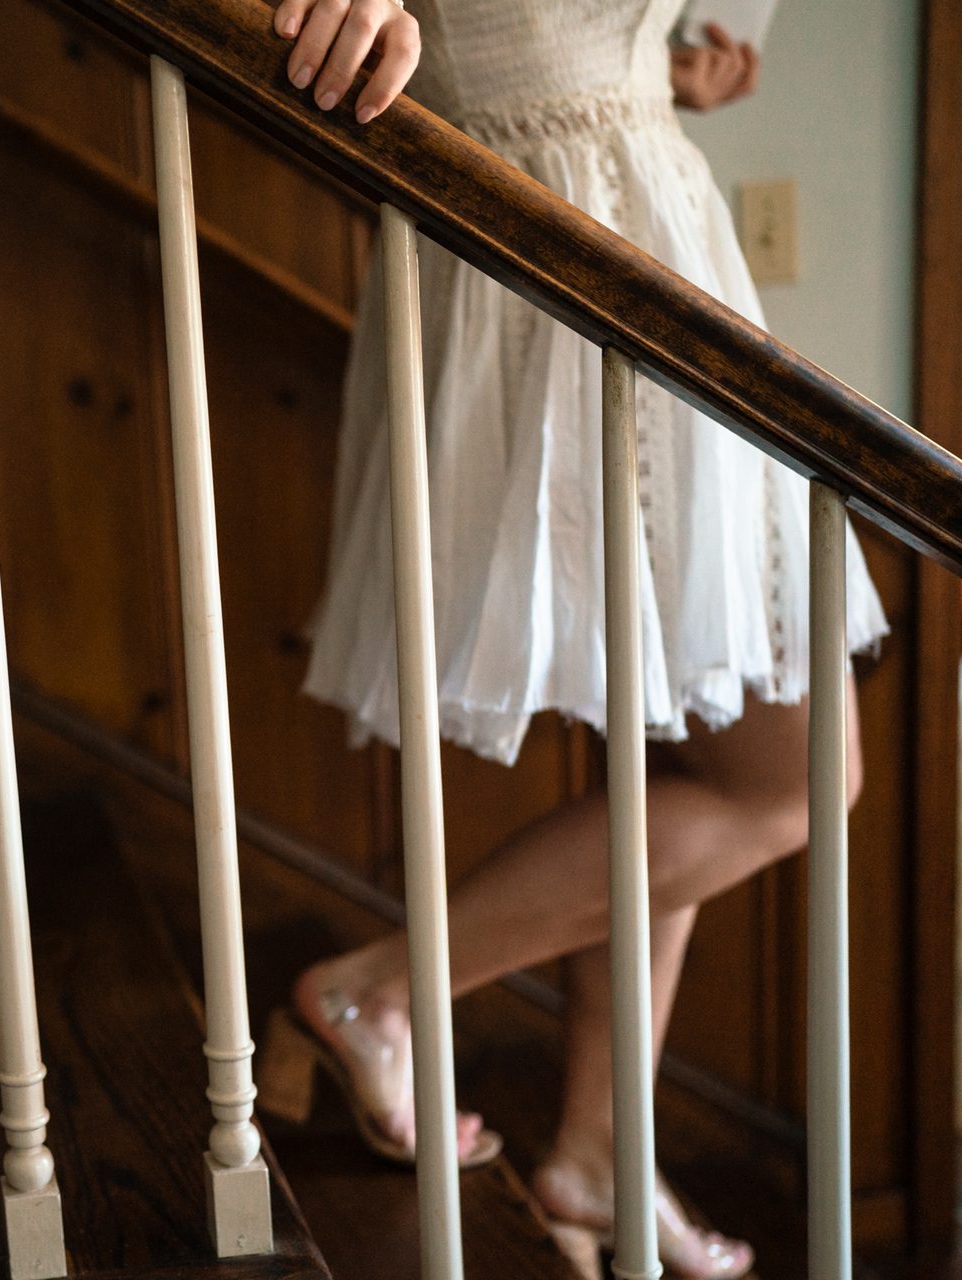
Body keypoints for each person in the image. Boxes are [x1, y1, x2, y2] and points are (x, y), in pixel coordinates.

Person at [261, 1, 888, 1276]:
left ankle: (598, 1155)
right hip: (550, 247)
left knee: (689, 769)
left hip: (651, 233)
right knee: (796, 778)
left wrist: (673, 49)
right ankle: (373, 987)